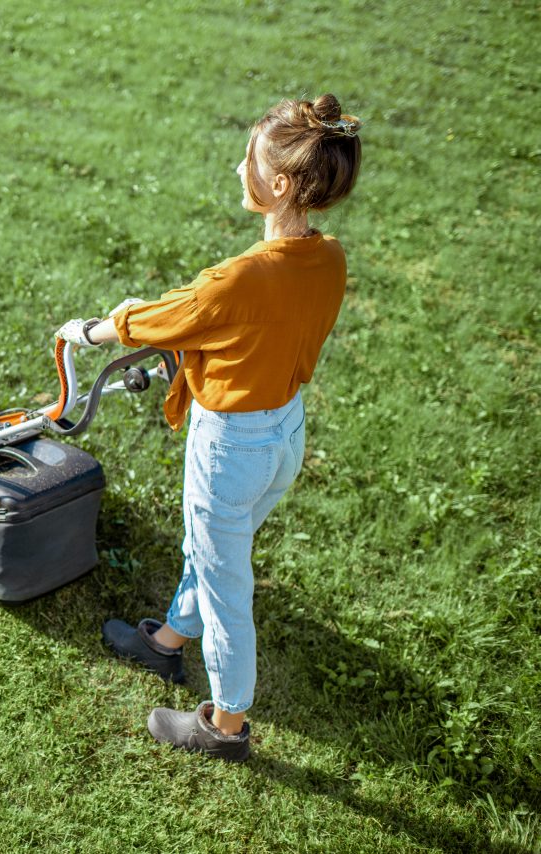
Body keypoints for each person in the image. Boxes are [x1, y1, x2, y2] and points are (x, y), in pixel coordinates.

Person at [55, 94, 363, 761]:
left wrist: (86, 331)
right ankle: (166, 643)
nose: (236, 169)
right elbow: (241, 322)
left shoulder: (240, 279)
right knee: (212, 547)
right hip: (283, 437)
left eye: (247, 161)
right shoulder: (329, 258)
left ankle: (224, 727)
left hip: (232, 446)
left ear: (278, 185)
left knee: (228, 586)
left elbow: (171, 316)